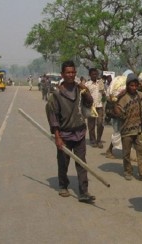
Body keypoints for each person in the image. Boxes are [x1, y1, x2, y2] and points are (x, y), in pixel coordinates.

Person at [45, 60, 96, 203]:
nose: (71, 75)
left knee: (82, 163)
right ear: (62, 74)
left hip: (79, 132)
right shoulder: (56, 94)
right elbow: (53, 116)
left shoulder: (80, 90)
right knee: (63, 162)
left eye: (73, 72)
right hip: (64, 134)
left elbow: (89, 103)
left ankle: (84, 191)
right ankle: (63, 185)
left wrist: (85, 89)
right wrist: (57, 136)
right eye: (68, 72)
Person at [114, 73, 142, 183]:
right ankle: (128, 171)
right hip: (126, 130)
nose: (134, 87)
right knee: (126, 153)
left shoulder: (140, 95)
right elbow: (116, 110)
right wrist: (117, 109)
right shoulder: (123, 98)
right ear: (127, 85)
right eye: (131, 85)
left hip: (138, 130)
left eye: (136, 85)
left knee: (141, 152)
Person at [85, 68, 106, 148]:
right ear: (90, 75)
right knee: (91, 125)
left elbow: (104, 93)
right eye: (93, 74)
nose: (95, 75)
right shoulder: (87, 84)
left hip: (100, 106)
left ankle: (99, 140)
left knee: (100, 124)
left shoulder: (100, 83)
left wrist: (104, 95)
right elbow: (84, 95)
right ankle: (93, 140)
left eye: (96, 74)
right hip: (91, 107)